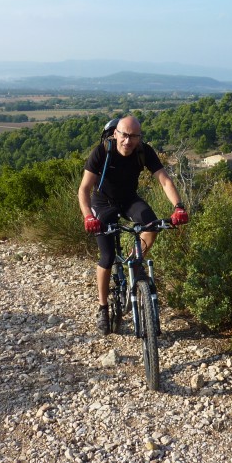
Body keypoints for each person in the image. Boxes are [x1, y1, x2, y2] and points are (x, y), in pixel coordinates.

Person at [78, 115, 188, 335]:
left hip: (129, 199)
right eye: (124, 135)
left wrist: (179, 207)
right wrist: (88, 216)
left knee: (152, 225)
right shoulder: (102, 151)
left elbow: (164, 180)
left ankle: (133, 263)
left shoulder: (144, 151)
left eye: (133, 136)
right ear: (115, 134)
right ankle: (103, 307)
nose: (128, 141)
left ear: (139, 137)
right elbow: (84, 189)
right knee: (107, 257)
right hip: (103, 203)